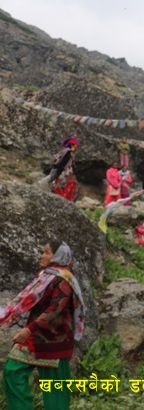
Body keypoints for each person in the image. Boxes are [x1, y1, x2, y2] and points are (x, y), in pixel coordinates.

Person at [1, 241, 85, 410]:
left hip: (55, 340)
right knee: (12, 371)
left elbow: (55, 309)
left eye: (46, 252)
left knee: (56, 389)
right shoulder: (44, 277)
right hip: (35, 336)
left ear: (57, 256)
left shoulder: (64, 280)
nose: (42, 256)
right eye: (43, 252)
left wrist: (28, 330)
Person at [47, 136, 79, 202]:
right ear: (72, 145)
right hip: (63, 175)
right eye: (76, 145)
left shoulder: (65, 152)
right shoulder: (68, 153)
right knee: (66, 187)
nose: (77, 147)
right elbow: (62, 164)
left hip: (62, 174)